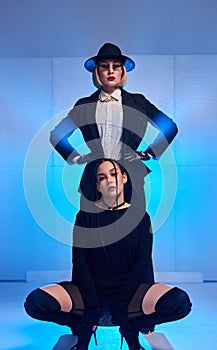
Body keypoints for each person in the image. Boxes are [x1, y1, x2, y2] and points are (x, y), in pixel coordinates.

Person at [24, 159, 192, 350]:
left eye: (113, 174)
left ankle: (131, 329)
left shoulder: (140, 217)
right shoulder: (84, 216)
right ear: (97, 185)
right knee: (35, 303)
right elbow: (80, 262)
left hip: (130, 294)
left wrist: (122, 302)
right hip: (88, 292)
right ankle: (80, 327)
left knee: (180, 302)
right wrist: (92, 306)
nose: (109, 180)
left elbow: (142, 262)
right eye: (102, 177)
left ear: (124, 178)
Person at [49, 42, 178, 212]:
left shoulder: (138, 102)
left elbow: (170, 127)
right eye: (104, 66)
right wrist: (76, 157)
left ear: (122, 71)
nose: (110, 71)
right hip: (94, 179)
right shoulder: (85, 105)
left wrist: (148, 153)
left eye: (116, 66)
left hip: (130, 177)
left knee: (134, 232)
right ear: (97, 72)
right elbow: (56, 135)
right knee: (91, 233)